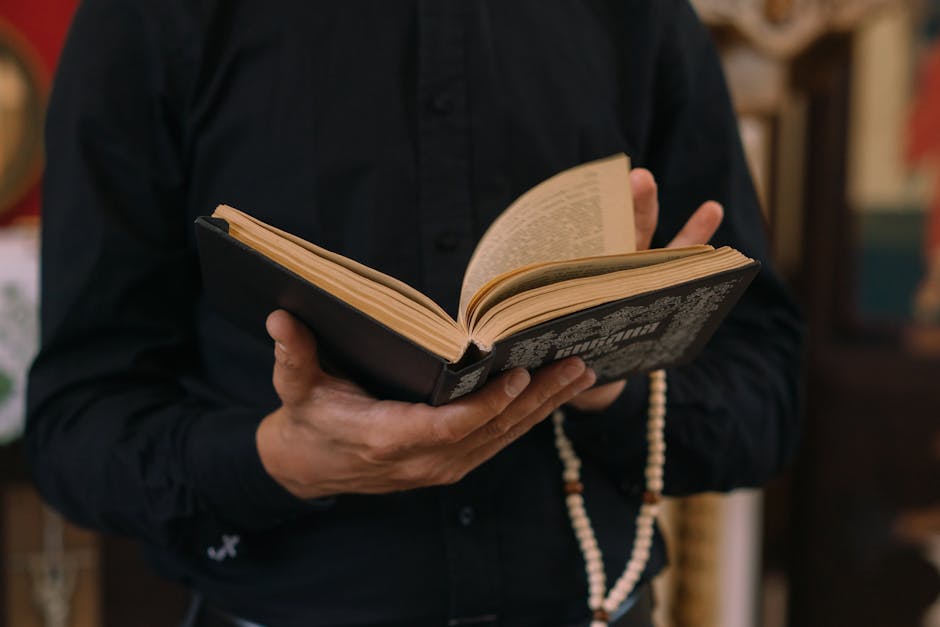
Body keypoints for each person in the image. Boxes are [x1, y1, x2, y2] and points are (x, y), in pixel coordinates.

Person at [25, 1, 804, 625]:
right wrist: (275, 459)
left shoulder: (635, 14)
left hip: (598, 603)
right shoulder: (155, 16)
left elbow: (767, 398)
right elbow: (75, 427)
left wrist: (605, 371)